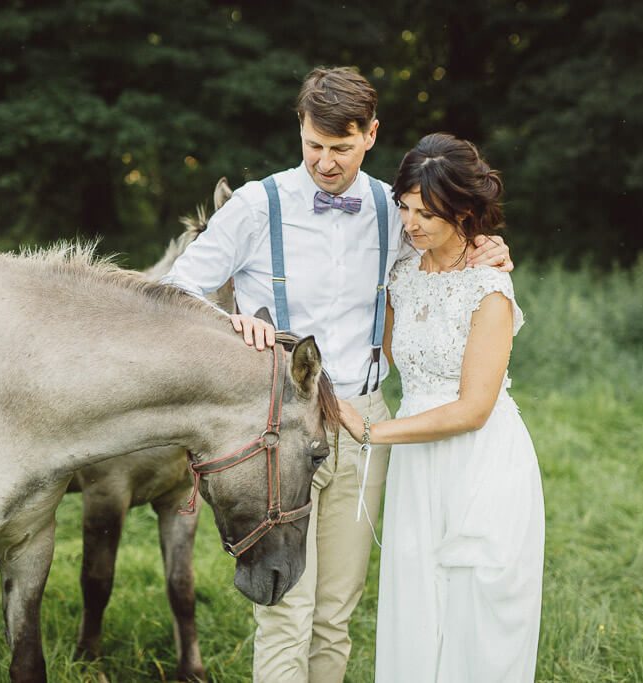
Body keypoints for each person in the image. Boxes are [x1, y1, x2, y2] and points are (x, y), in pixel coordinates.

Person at [162, 68, 512, 683]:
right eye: (314, 145)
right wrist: (232, 324)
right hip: (275, 431)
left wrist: (492, 250)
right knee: (283, 609)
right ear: (300, 130)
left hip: (366, 421)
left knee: (334, 613)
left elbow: (447, 258)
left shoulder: (392, 208)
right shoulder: (255, 205)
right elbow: (172, 292)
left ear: (371, 135)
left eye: (341, 148)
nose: (325, 163)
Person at [338, 132, 544, 682]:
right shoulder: (402, 274)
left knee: (476, 604)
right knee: (416, 598)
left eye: (427, 213)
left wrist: (372, 434)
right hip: (418, 461)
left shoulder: (490, 289)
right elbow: (383, 348)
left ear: (464, 211)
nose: (411, 224)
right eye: (405, 209)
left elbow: (474, 408)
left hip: (478, 458)